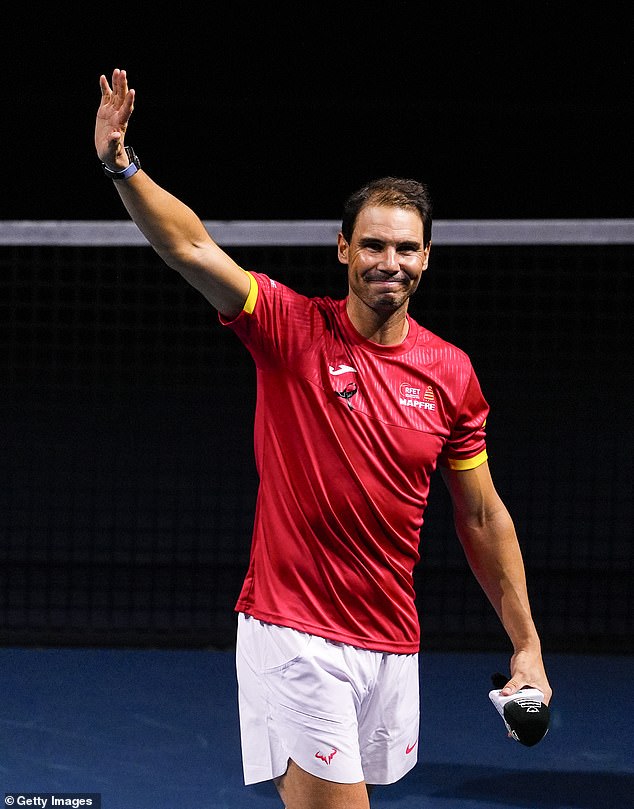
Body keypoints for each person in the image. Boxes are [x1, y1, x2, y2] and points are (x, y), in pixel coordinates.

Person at [95, 68, 552, 809]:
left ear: (428, 258)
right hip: (294, 631)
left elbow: (479, 515)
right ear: (343, 249)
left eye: (406, 249)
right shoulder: (289, 328)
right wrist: (121, 163)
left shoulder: (451, 374)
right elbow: (190, 247)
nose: (389, 263)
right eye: (372, 245)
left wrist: (526, 643)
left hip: (391, 641)